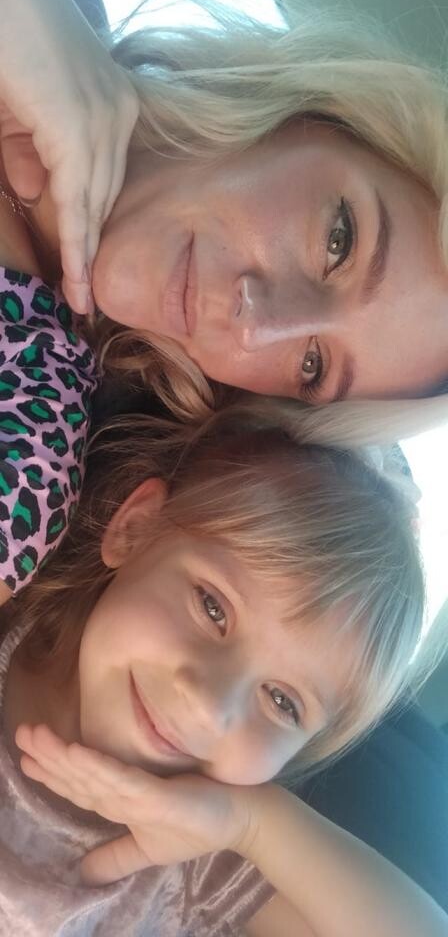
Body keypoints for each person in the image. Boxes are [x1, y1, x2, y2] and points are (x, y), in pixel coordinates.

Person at [0, 386, 445, 936]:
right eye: (213, 607)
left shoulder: (205, 858)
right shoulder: (11, 602)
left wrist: (254, 826)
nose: (210, 706)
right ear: (134, 531)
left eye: (282, 702)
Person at [2, 0, 448, 433]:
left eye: (312, 365)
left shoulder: (31, 421)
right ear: (315, 118)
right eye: (338, 242)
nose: (256, 325)